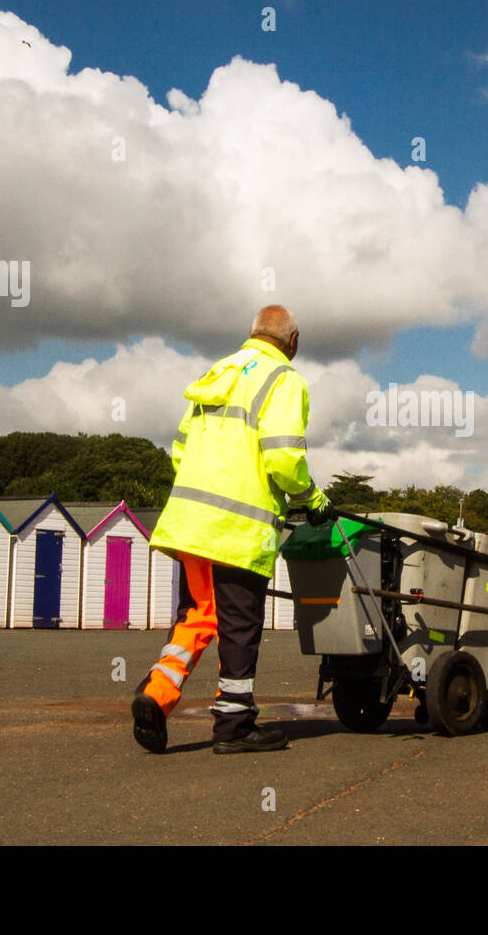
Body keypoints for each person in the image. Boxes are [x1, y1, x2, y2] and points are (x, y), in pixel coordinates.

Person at [131, 305, 332, 754]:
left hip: (191, 523)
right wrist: (313, 500)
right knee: (239, 626)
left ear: (252, 334)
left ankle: (156, 695)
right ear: (294, 343)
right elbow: (282, 455)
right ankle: (235, 725)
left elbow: (180, 449)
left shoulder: (218, 372)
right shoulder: (283, 380)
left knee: (197, 615)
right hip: (237, 530)